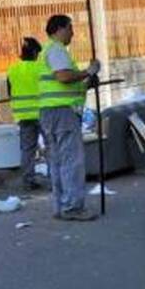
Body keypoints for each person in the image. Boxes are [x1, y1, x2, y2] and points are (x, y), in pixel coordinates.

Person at [38, 14, 100, 222]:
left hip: (50, 112)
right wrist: (87, 71)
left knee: (57, 160)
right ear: (59, 29)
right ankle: (73, 207)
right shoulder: (56, 50)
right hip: (62, 113)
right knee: (71, 160)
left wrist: (86, 83)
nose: (73, 33)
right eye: (70, 28)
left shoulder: (48, 50)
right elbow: (63, 77)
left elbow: (65, 84)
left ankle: (61, 205)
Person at [6, 37, 46, 189]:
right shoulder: (40, 68)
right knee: (51, 146)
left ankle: (28, 181)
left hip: (23, 116)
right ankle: (56, 178)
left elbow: (10, 93)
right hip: (42, 113)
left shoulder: (12, 69)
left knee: (27, 149)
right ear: (35, 53)